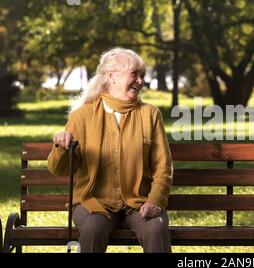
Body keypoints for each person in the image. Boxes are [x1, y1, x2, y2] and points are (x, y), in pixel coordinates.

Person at [48, 48, 173, 253]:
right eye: (134, 74)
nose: (141, 81)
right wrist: (61, 147)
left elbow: (163, 167)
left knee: (155, 229)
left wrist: (155, 200)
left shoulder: (150, 114)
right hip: (93, 202)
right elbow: (59, 170)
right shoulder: (82, 116)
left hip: (138, 202)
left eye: (142, 75)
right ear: (112, 76)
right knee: (93, 229)